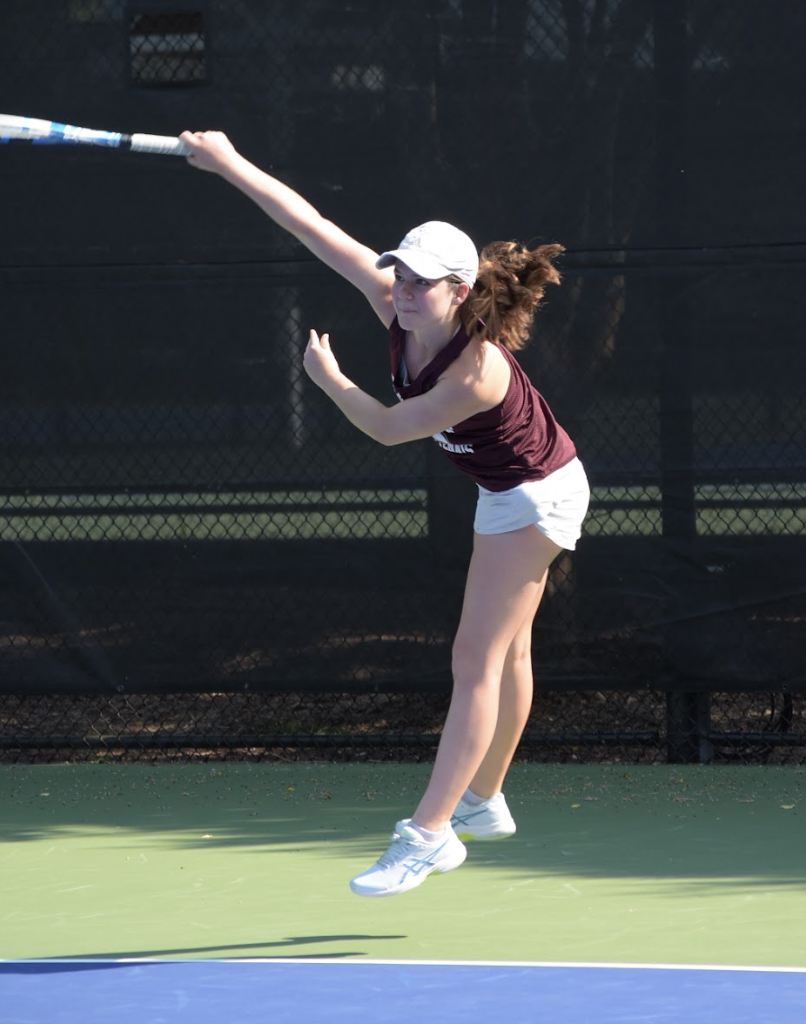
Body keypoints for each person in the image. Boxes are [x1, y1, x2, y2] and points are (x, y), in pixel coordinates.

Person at [181, 130, 591, 898]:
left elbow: (386, 427)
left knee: (474, 665)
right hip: (510, 488)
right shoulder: (391, 302)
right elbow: (311, 226)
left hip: (538, 495)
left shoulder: (475, 369)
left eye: (423, 281)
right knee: (505, 655)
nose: (403, 287)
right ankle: (487, 800)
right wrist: (231, 164)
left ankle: (429, 835)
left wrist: (329, 380)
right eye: (400, 270)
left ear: (460, 292)